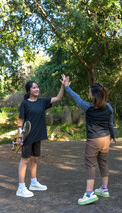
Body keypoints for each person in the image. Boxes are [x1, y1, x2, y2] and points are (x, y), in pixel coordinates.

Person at [62, 74, 116, 205]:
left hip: (94, 140)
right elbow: (110, 124)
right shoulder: (109, 107)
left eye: (90, 92)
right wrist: (113, 136)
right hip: (106, 139)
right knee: (103, 162)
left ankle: (89, 193)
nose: (88, 94)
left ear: (93, 95)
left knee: (90, 165)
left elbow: (77, 98)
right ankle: (104, 189)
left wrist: (67, 87)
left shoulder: (89, 107)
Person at [16, 79, 64, 198]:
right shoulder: (25, 104)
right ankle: (21, 188)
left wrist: (63, 86)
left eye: (37, 87)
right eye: (33, 88)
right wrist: (19, 136)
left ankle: (33, 183)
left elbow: (58, 98)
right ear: (28, 90)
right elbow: (21, 121)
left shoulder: (43, 102)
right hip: (27, 136)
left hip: (38, 135)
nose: (36, 89)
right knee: (25, 160)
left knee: (35, 159)